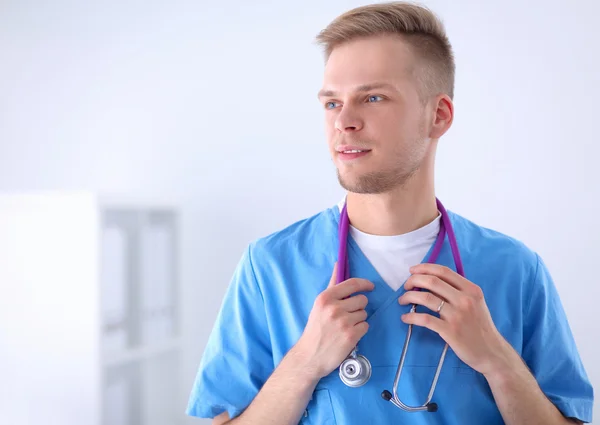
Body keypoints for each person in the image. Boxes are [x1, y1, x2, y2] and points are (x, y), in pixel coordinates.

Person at [186, 2, 594, 424]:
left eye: (373, 97)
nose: (344, 121)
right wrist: (304, 362)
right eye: (331, 103)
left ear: (438, 115)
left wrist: (496, 359)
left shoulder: (514, 270)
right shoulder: (270, 267)